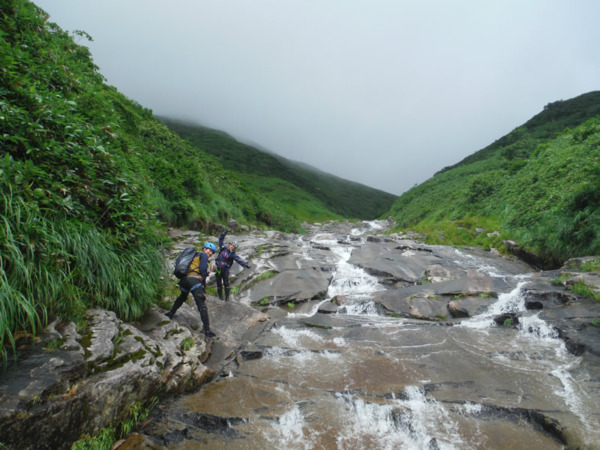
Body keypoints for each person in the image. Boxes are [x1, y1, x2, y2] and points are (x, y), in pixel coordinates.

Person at [166, 242, 217, 337]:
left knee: (182, 297)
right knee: (202, 306)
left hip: (184, 281)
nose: (210, 253)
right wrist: (203, 290)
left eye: (212, 252)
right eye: (209, 250)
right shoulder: (203, 255)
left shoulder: (193, 255)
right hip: (193, 280)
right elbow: (202, 270)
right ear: (204, 249)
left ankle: (170, 313)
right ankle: (207, 331)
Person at [215, 230, 250, 301]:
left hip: (225, 269)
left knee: (226, 283)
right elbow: (220, 239)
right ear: (230, 244)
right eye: (232, 245)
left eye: (234, 246)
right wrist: (224, 232)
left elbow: (239, 260)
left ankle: (227, 297)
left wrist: (245, 265)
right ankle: (220, 297)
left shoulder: (233, 254)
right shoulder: (223, 247)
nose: (232, 247)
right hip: (218, 267)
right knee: (218, 283)